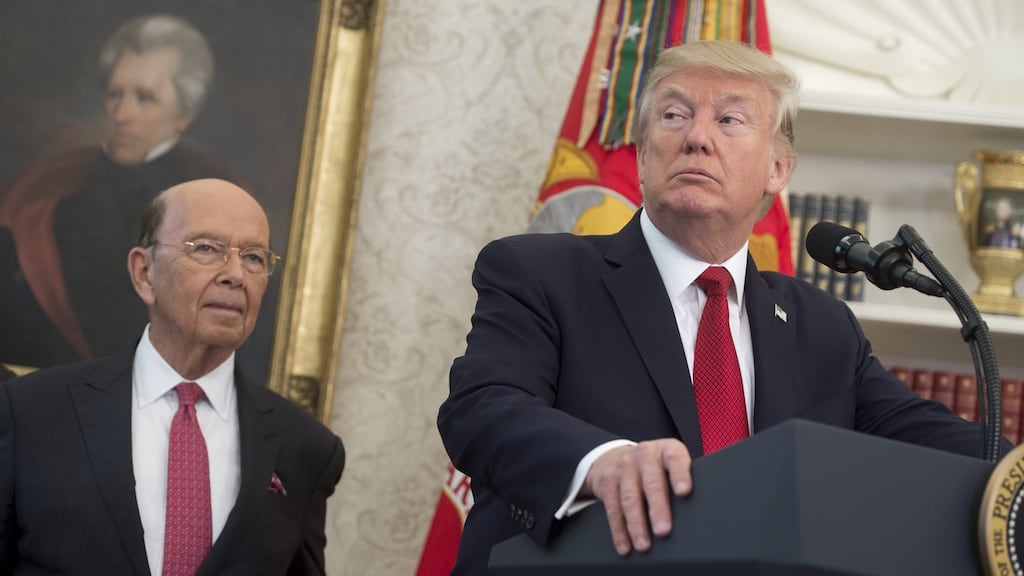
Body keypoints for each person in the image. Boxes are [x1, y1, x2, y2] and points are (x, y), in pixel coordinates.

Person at [436, 40, 1003, 575]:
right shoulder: (540, 273)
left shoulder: (823, 326)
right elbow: (482, 409)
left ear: (778, 170)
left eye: (730, 120)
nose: (697, 137)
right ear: (642, 156)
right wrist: (601, 463)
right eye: (673, 115)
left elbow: (932, 438)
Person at [0, 178, 345, 575]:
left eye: (253, 257)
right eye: (206, 248)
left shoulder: (305, 448)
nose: (235, 274)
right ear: (144, 273)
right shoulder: (30, 412)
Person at [0, 13, 241, 368]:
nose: (121, 114)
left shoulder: (216, 195)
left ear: (184, 115)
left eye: (144, 98)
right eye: (115, 95)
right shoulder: (49, 187)